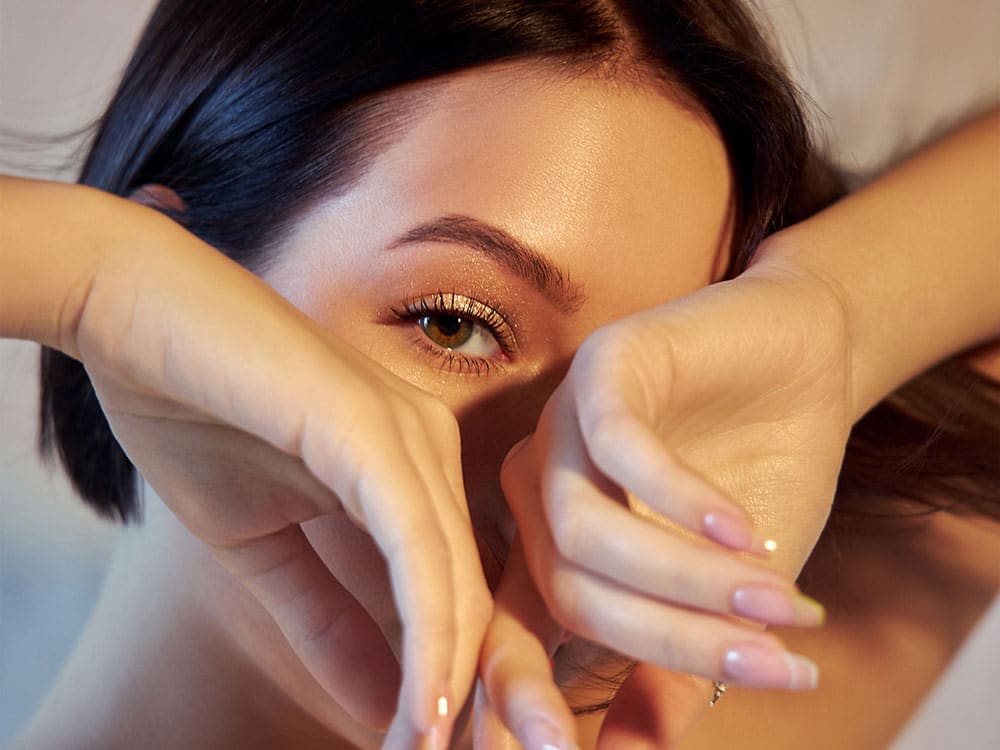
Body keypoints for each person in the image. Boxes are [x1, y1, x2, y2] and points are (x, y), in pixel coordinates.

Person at [1, 1, 996, 748]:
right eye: (456, 322)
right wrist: (84, 273)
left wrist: (831, 317)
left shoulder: (721, 680)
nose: (558, 477)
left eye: (664, 382)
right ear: (170, 317)